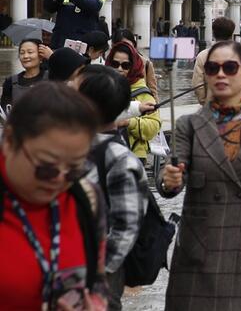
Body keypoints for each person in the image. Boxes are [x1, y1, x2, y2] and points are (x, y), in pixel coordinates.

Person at [159, 41, 241, 310]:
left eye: (230, 68)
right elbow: (172, 178)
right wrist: (169, 180)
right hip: (199, 250)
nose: (221, 74)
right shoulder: (189, 125)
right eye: (213, 68)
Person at [0, 82, 109, 310]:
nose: (59, 179)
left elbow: (97, 282)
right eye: (46, 167)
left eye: (73, 170)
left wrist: (97, 304)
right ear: (10, 142)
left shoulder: (86, 198)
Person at [75, 66, 147, 310]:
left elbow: (126, 226)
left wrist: (101, 270)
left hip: (98, 271)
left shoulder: (119, 159)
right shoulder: (69, 147)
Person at [105, 42, 161, 164]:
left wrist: (129, 122)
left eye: (125, 65)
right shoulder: (102, 86)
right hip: (104, 152)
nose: (119, 69)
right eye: (115, 64)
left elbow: (154, 126)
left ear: (133, 66)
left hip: (133, 155)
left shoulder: (143, 93)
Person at [193, 18, 241, 106]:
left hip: (212, 105)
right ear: (232, 34)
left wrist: (204, 101)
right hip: (238, 104)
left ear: (213, 33)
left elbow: (198, 84)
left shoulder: (202, 56)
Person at [1, 39, 47, 109]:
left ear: (41, 56)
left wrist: (51, 56)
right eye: (22, 53)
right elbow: (5, 111)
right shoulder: (10, 82)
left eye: (30, 52)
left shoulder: (51, 78)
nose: (25, 56)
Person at [113, 29, 158, 97]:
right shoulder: (109, 63)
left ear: (134, 44)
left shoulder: (146, 64)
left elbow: (153, 92)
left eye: (128, 44)